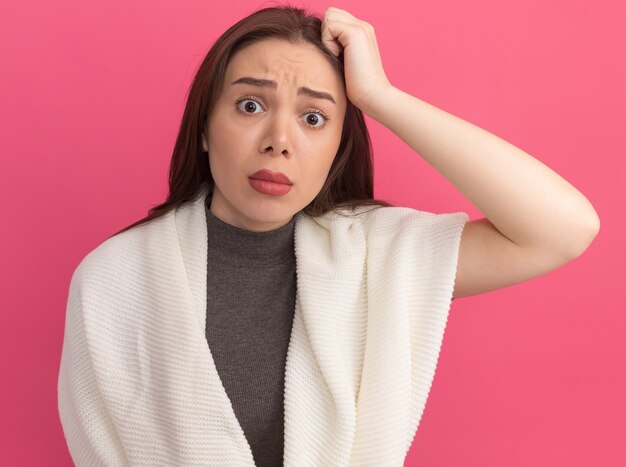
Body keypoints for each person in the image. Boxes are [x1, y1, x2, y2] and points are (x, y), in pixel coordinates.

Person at [57, 4, 600, 467]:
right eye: (250, 105)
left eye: (314, 118)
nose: (279, 140)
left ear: (340, 147)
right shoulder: (114, 280)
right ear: (203, 127)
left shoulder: (377, 259)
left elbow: (563, 229)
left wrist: (380, 96)